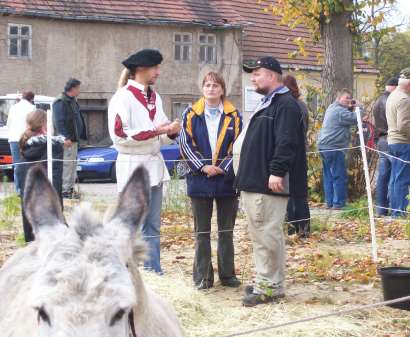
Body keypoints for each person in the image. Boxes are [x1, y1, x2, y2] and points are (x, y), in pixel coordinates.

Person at [233, 57, 307, 307]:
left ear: (272, 76)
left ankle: (270, 286)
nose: (253, 78)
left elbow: (287, 142)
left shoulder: (285, 105)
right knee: (260, 234)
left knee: (267, 233)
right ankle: (266, 279)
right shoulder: (271, 103)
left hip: (269, 183)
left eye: (257, 74)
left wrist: (277, 171)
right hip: (255, 181)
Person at [108, 49, 181, 274]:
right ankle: (125, 271)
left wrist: (171, 132)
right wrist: (156, 130)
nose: (158, 72)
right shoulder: (122, 97)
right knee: (130, 225)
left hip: (154, 167)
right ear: (141, 69)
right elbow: (119, 135)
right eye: (155, 67)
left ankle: (154, 271)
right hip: (132, 168)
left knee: (153, 226)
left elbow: (161, 131)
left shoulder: (155, 97)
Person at [179, 72, 243, 290]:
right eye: (207, 85)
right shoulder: (190, 114)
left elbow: (238, 145)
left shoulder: (234, 115)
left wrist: (223, 167)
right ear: (202, 89)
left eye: (216, 85)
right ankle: (203, 277)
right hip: (199, 180)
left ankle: (227, 275)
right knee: (202, 232)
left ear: (222, 90)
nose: (211, 89)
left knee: (226, 231)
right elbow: (185, 144)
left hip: (226, 180)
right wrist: (203, 166)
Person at [17, 109, 64, 242]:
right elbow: (55, 178)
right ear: (45, 126)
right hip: (49, 205)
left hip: (29, 212)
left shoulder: (25, 144)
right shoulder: (52, 146)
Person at [386, 67, 410, 217]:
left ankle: (396, 210)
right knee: (403, 179)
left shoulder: (394, 95)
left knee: (395, 178)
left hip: (394, 142)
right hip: (404, 143)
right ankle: (400, 212)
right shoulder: (403, 99)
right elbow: (403, 125)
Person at [317, 88, 358, 209]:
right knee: (339, 175)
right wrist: (359, 106)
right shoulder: (340, 112)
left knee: (328, 175)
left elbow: (347, 116)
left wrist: (350, 106)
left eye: (350, 98)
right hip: (334, 147)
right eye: (346, 98)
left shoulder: (331, 108)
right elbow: (357, 118)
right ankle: (339, 203)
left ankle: (329, 202)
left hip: (323, 146)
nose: (349, 100)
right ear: (338, 98)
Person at [283, 75, 310, 236]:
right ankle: (305, 228)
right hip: (301, 151)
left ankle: (292, 227)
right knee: (300, 192)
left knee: (289, 192)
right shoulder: (303, 106)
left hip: (289, 151)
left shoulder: (288, 106)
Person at [53, 78, 86, 199]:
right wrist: (65, 137)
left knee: (72, 164)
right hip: (67, 140)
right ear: (73, 88)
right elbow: (59, 121)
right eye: (78, 88)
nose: (79, 90)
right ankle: (65, 190)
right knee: (67, 164)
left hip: (74, 139)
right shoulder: (60, 101)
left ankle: (70, 188)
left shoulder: (72, 101)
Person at [373, 77, 398, 216]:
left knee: (383, 176)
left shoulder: (378, 100)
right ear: (394, 87)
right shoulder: (392, 100)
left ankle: (381, 209)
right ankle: (397, 208)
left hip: (381, 140)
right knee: (396, 175)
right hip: (392, 138)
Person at [7, 91, 36, 193]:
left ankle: (18, 190)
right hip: (26, 139)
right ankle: (27, 189)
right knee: (28, 164)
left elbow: (8, 124)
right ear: (32, 99)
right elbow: (33, 125)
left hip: (13, 139)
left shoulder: (13, 107)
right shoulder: (32, 108)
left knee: (17, 165)